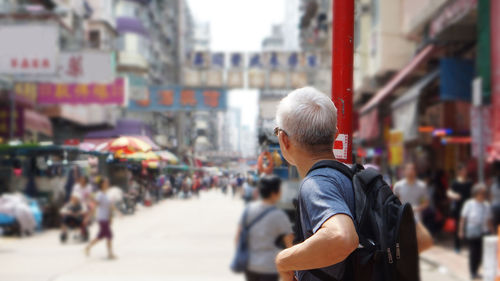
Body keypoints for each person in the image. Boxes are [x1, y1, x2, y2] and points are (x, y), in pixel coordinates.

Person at [273, 87, 359, 281]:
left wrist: (283, 261)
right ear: (335, 135)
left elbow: (342, 237)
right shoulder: (356, 176)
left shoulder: (316, 184)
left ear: (284, 140)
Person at [235, 175, 294, 281]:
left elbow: (238, 238)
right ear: (274, 193)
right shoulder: (279, 215)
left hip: (251, 265)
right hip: (270, 266)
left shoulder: (249, 210)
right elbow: (290, 245)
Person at [459, 183, 493, 280]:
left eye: (484, 193)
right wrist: (461, 230)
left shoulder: (486, 205)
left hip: (484, 232)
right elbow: (463, 218)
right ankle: (473, 272)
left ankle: (478, 271)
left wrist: (493, 232)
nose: (483, 194)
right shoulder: (469, 204)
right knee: (474, 253)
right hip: (473, 232)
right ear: (476, 193)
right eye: (481, 192)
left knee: (482, 253)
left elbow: (489, 221)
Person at [85, 177, 116, 259]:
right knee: (109, 235)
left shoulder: (106, 194)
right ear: (102, 184)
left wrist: (114, 214)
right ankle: (110, 254)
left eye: (108, 182)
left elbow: (109, 206)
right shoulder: (100, 195)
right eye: (106, 182)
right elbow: (95, 205)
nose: (108, 184)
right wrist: (89, 216)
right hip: (102, 218)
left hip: (106, 218)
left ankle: (87, 247)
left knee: (101, 236)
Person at [447, 164, 472, 252]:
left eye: (465, 170)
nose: (465, 172)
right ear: (459, 171)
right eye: (463, 170)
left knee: (468, 225)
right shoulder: (455, 182)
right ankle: (457, 246)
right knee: (458, 226)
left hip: (468, 207)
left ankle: (469, 244)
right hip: (458, 207)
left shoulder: (469, 182)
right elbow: (449, 192)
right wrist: (454, 195)